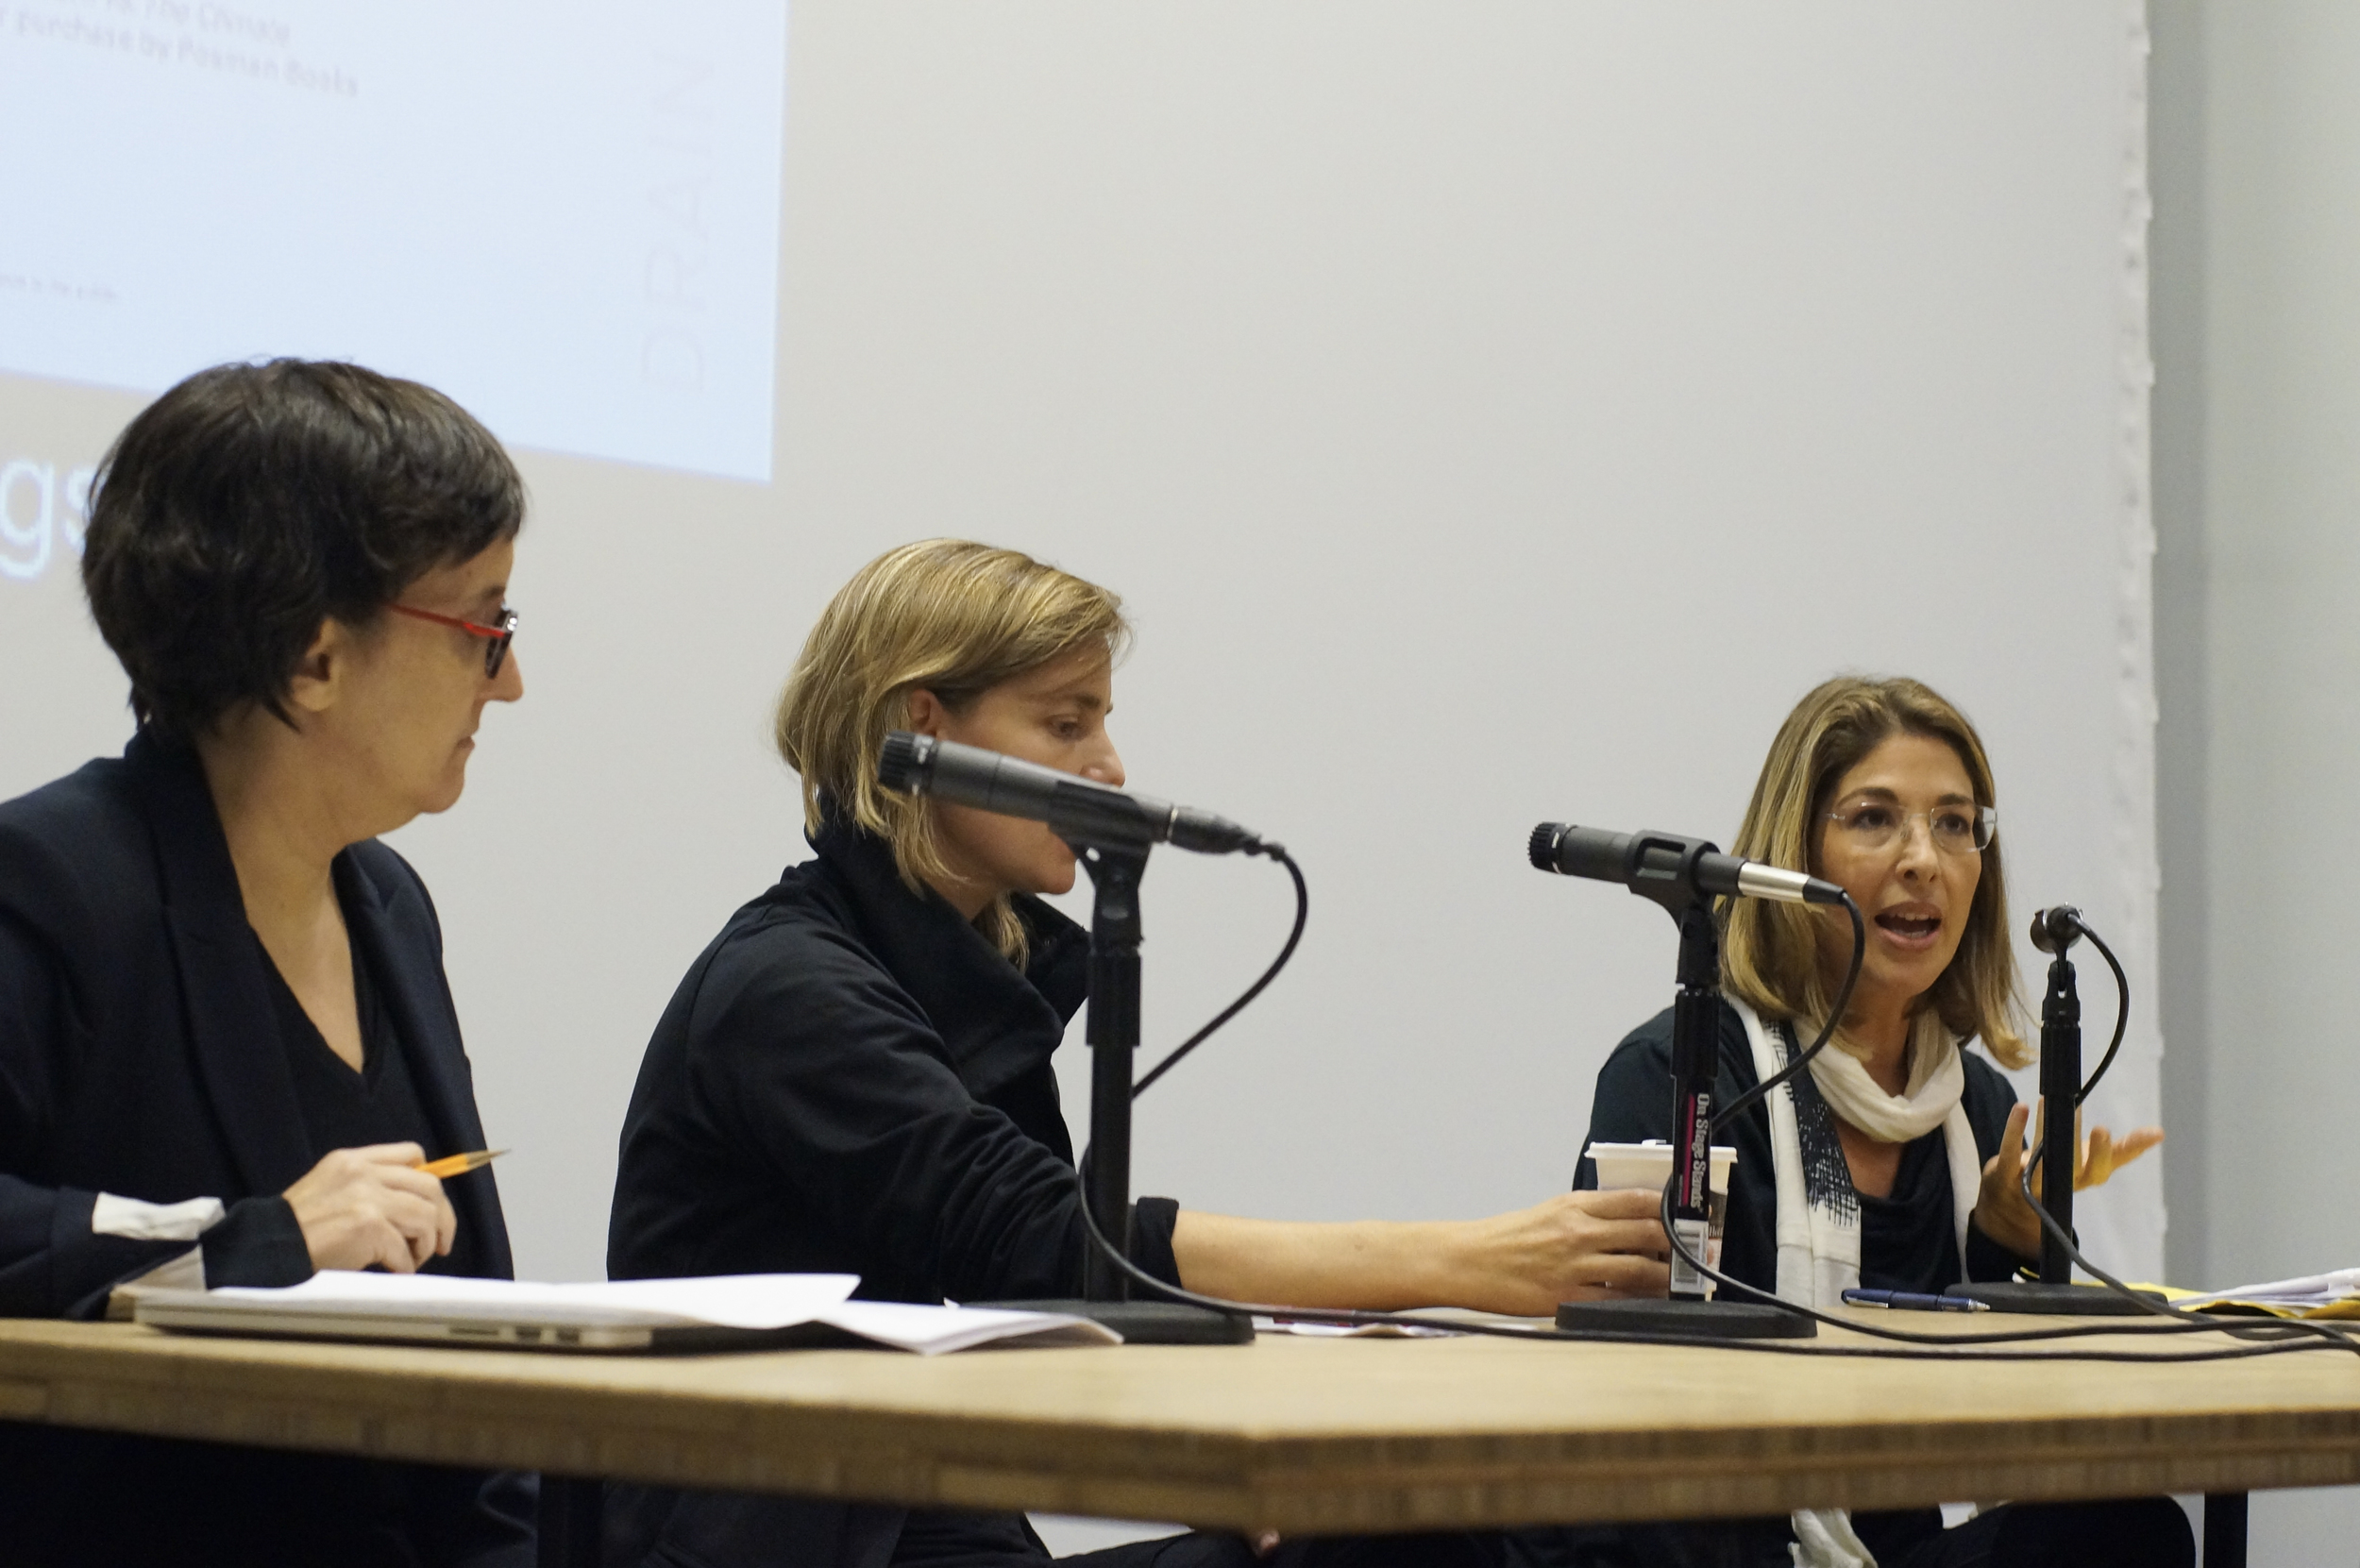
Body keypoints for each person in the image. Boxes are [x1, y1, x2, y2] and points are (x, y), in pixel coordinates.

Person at [605, 538, 1674, 1568]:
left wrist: (1293, 1392)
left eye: (1103, 724)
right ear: (923, 726)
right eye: (1066, 723)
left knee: (1404, 1518)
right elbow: (1040, 1242)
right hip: (798, 1541)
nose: (1110, 767)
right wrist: (1458, 1263)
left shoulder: (971, 973)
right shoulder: (793, 987)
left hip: (933, 1522)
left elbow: (1051, 1312)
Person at [0, 359, 537, 1566]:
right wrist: (252, 1243)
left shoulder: (389, 905)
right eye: (482, 626)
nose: (508, 679)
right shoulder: (47, 884)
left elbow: (477, 1373)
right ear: (314, 659)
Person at [1533, 675, 2183, 1568]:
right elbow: (1632, 1418)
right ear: (1797, 855)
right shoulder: (1685, 1079)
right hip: (1723, 1545)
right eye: (1875, 818)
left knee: (2126, 1526)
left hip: (1909, 1548)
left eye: (1955, 824)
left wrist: (2010, 1244)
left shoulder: (1977, 1109)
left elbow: (2009, 1418)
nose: (1923, 857)